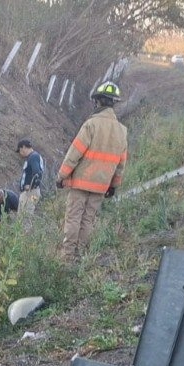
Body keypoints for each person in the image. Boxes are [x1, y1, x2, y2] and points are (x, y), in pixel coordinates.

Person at [56, 81, 128, 259]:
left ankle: (68, 256)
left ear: (99, 102)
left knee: (74, 218)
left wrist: (62, 176)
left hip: (81, 181)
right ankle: (81, 255)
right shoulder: (122, 131)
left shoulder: (91, 124)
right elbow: (121, 163)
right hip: (101, 185)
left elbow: (74, 153)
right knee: (88, 220)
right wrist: (113, 186)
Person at [16, 139, 44, 213]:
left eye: (20, 150)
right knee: (24, 216)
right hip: (32, 192)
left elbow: (37, 173)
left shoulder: (33, 157)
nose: (20, 153)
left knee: (25, 217)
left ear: (24, 147)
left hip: (30, 192)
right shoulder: (33, 157)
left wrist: (31, 186)